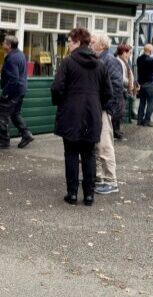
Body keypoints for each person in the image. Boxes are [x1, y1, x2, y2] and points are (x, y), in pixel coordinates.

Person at [51, 28, 111, 206]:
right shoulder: (100, 64)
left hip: (71, 114)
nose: (68, 44)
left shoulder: (68, 62)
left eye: (70, 41)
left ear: (77, 42)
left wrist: (62, 102)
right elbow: (109, 92)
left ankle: (72, 194)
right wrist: (97, 103)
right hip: (92, 114)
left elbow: (56, 88)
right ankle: (89, 195)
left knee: (71, 153)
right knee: (89, 154)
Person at [89, 32, 123, 194]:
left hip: (104, 109)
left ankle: (111, 181)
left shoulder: (110, 61)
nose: (89, 44)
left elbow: (116, 88)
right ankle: (99, 177)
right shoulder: (98, 60)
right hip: (97, 109)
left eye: (93, 42)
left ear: (102, 45)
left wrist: (108, 109)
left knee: (105, 145)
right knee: (96, 145)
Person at [0, 35, 34, 149]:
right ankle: (26, 134)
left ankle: (4, 141)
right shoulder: (20, 55)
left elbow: (14, 78)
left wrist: (6, 92)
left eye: (4, 43)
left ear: (9, 45)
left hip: (13, 91)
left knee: (2, 116)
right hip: (21, 89)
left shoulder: (12, 58)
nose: (2, 44)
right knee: (15, 113)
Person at [115, 43, 138, 130]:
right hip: (121, 90)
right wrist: (131, 84)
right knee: (119, 112)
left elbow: (129, 74)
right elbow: (122, 77)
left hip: (124, 89)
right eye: (130, 53)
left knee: (120, 112)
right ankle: (116, 131)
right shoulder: (120, 62)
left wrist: (134, 83)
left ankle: (117, 131)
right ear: (124, 52)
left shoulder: (124, 61)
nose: (130, 55)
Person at [136, 44, 153, 127]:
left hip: (141, 84)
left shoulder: (139, 59)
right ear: (150, 51)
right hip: (149, 84)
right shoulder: (150, 60)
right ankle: (147, 120)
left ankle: (139, 120)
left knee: (142, 102)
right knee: (150, 103)